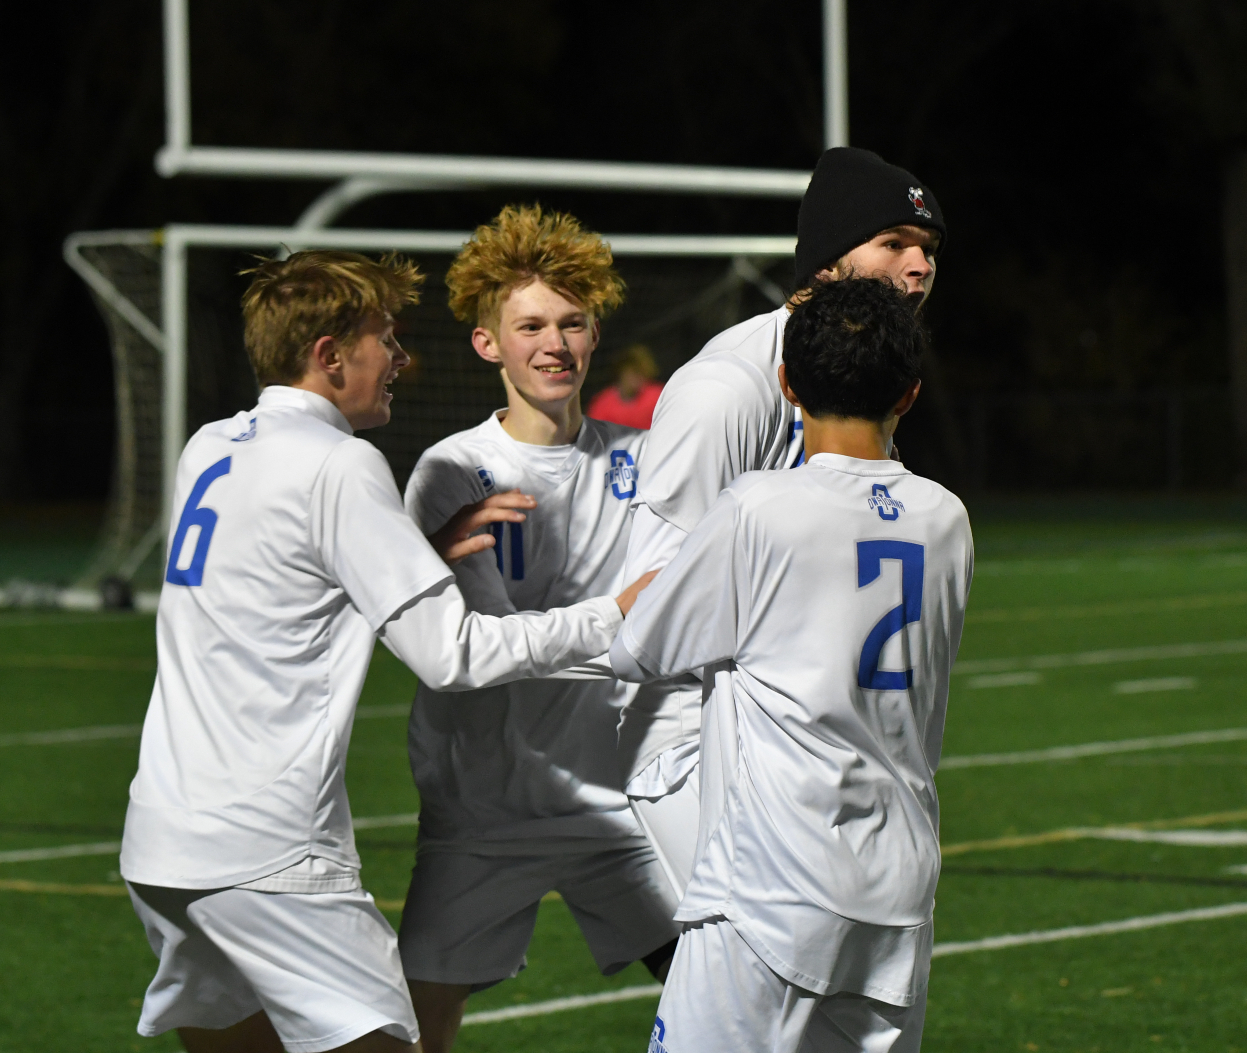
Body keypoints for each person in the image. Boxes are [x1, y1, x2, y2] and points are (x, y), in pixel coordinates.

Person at [118, 250, 654, 1053]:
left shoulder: (211, 447)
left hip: (160, 843)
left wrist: (417, 554)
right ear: (330, 356)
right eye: (386, 340)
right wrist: (611, 616)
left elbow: (285, 593)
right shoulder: (339, 462)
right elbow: (454, 656)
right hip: (271, 854)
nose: (402, 360)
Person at [613, 276, 973, 1053]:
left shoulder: (757, 507)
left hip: (772, 886)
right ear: (908, 394)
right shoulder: (948, 518)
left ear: (786, 383)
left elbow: (637, 650)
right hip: (899, 886)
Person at [619, 146, 947, 895]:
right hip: (692, 739)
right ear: (828, 260)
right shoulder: (726, 388)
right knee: (755, 982)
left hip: (804, 737)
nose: (919, 265)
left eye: (927, 249)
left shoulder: (867, 376)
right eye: (894, 243)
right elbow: (654, 601)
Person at [397, 206, 680, 1053]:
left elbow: (672, 615)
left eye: (571, 323)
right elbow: (484, 650)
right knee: (414, 1023)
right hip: (485, 808)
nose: (553, 344)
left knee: (727, 991)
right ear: (490, 345)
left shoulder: (646, 459)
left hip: (621, 807)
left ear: (595, 336)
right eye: (530, 326)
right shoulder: (453, 471)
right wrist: (622, 620)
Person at [587, 343, 664, 428]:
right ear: (621, 372)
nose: (637, 378)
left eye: (641, 373)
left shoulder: (657, 397)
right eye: (633, 372)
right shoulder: (603, 404)